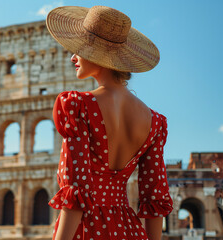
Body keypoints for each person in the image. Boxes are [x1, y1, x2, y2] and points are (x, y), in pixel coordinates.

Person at [45, 5, 174, 240]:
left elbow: (76, 192)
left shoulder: (77, 106)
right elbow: (155, 196)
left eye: (79, 49)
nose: (73, 57)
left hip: (86, 229)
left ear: (98, 54)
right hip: (129, 230)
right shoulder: (155, 122)